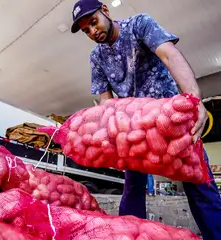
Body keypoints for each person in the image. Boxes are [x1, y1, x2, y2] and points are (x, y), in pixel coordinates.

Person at [70, 0, 221, 239]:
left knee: (200, 184)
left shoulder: (139, 25)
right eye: (86, 30)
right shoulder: (96, 57)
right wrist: (112, 141)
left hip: (172, 122)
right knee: (132, 187)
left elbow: (170, 55)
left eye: (93, 22)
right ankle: (131, 235)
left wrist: (193, 99)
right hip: (134, 132)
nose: (92, 31)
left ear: (106, 11)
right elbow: (107, 103)